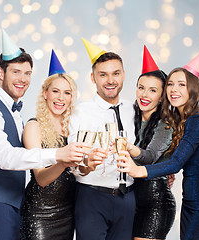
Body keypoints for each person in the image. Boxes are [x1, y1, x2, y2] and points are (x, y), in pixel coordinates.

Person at [0, 30, 87, 240]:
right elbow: (4, 158)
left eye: (27, 73)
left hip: (15, 206)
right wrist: (58, 154)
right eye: (16, 72)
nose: (22, 79)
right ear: (1, 73)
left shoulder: (15, 112)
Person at [118, 50, 199, 240]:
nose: (174, 89)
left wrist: (139, 171)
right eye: (170, 84)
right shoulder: (181, 119)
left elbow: (176, 162)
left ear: (192, 89)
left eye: (181, 85)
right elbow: (179, 158)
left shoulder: (197, 119)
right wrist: (166, 171)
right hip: (190, 202)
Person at [67, 38, 136, 240]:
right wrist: (87, 161)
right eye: (103, 75)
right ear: (93, 77)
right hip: (92, 197)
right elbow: (73, 159)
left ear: (123, 75)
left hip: (128, 198)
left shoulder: (135, 110)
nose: (110, 80)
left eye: (115, 73)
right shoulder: (79, 112)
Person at [20, 50, 77, 240]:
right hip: (40, 215)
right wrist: (63, 161)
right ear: (45, 93)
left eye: (67, 93)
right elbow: (41, 179)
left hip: (67, 214)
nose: (61, 98)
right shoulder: (33, 127)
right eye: (55, 91)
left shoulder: (73, 129)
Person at [125, 46, 176, 240]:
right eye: (141, 88)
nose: (144, 95)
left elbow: (150, 158)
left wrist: (127, 148)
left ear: (162, 96)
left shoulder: (166, 124)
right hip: (129, 200)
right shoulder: (128, 115)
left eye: (152, 90)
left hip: (155, 202)